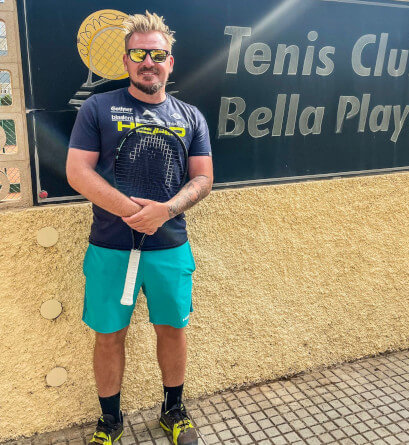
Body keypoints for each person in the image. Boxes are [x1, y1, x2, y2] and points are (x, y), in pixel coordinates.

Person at [66, 11, 213, 445]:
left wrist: (165, 211)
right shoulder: (97, 108)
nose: (147, 62)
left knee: (172, 329)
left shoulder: (191, 116)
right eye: (138, 54)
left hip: (169, 246)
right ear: (126, 61)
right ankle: (110, 421)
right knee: (109, 336)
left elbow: (203, 178)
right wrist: (134, 211)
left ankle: (173, 411)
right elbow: (78, 172)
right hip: (110, 247)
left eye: (157, 54)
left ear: (170, 61)